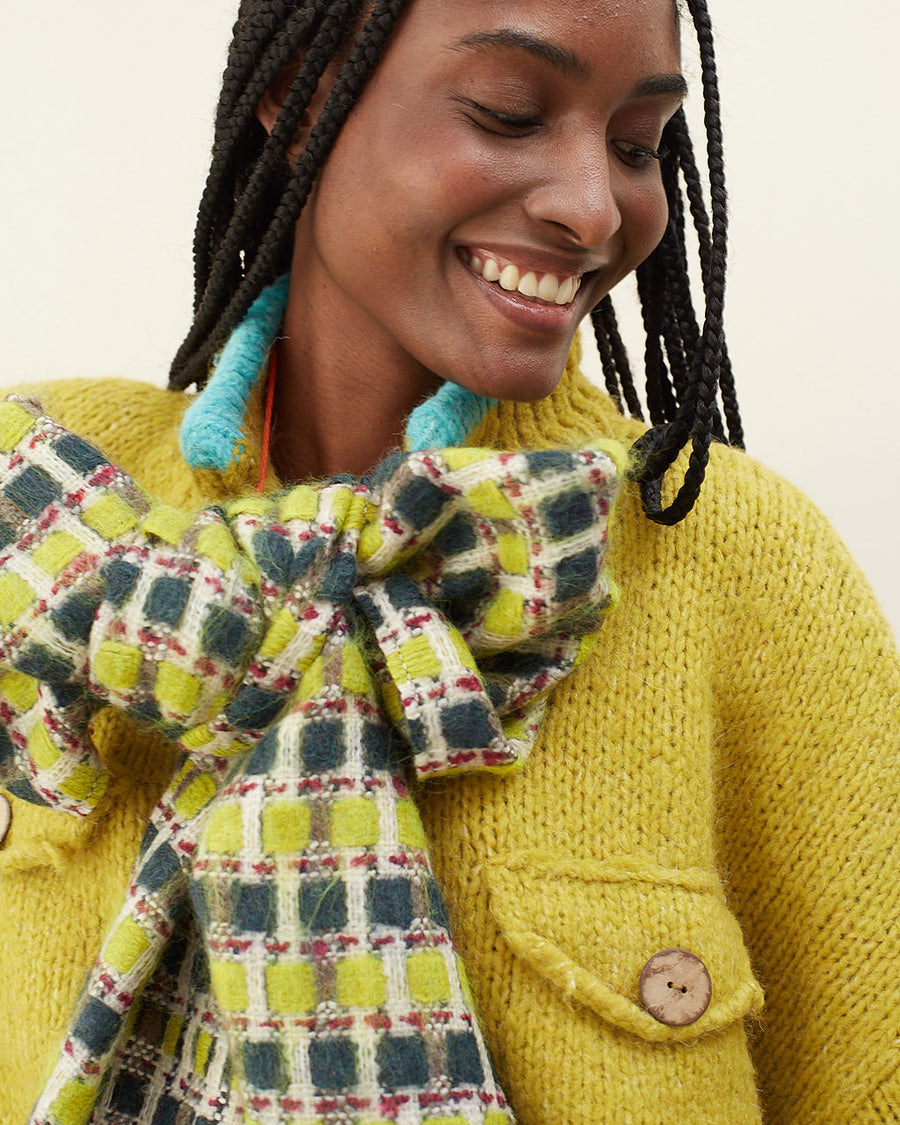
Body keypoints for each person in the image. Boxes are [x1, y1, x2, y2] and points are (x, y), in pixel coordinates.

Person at [0, 1, 896, 1123]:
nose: (590, 206)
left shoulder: (739, 567)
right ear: (303, 95)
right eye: (509, 113)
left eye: (635, 146)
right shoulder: (44, 498)